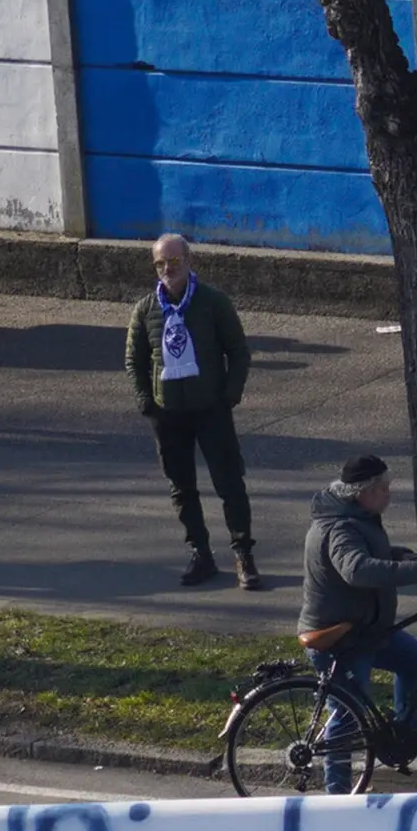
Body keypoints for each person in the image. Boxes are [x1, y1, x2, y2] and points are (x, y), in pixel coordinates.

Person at [295, 454, 417, 790]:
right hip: (340, 638)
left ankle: (400, 741)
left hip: (366, 630)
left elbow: (365, 554)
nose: (388, 494)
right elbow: (356, 569)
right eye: (383, 488)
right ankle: (338, 795)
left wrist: (396, 555)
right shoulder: (340, 527)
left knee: (416, 662)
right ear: (363, 491)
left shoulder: (358, 517)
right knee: (346, 717)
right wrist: (413, 571)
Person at [126, 235, 260, 590]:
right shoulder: (145, 309)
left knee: (230, 484)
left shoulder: (213, 302)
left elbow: (238, 351)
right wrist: (146, 401)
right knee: (181, 488)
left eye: (174, 261)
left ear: (188, 260)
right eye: (160, 263)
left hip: (210, 409)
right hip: (168, 413)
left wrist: (229, 395)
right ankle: (200, 553)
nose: (167, 269)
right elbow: (135, 361)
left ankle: (243, 554)